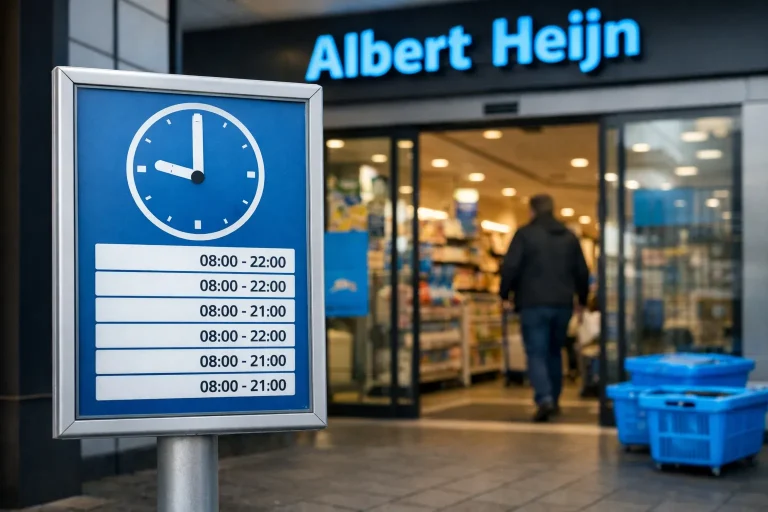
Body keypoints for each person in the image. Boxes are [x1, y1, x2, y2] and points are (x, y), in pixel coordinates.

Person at [499, 194, 590, 422]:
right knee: (554, 351)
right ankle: (555, 399)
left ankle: (545, 398)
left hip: (532, 303)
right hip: (562, 303)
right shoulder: (569, 237)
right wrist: (583, 299)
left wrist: (504, 294)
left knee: (536, 352)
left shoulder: (524, 235)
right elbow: (582, 271)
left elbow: (510, 266)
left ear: (532, 211)